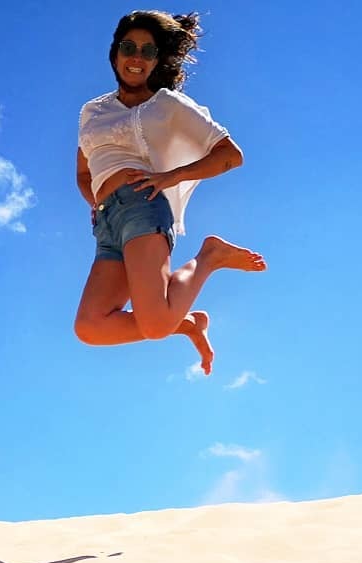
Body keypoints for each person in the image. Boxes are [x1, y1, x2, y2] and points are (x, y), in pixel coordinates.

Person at [74, 9, 266, 376]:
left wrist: (171, 177)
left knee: (156, 324)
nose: (136, 57)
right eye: (129, 47)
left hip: (143, 205)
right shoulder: (91, 111)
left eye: (148, 51)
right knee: (90, 327)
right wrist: (95, 203)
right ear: (115, 53)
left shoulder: (167, 104)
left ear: (156, 60)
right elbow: (84, 172)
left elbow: (230, 155)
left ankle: (208, 257)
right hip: (107, 223)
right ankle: (188, 323)